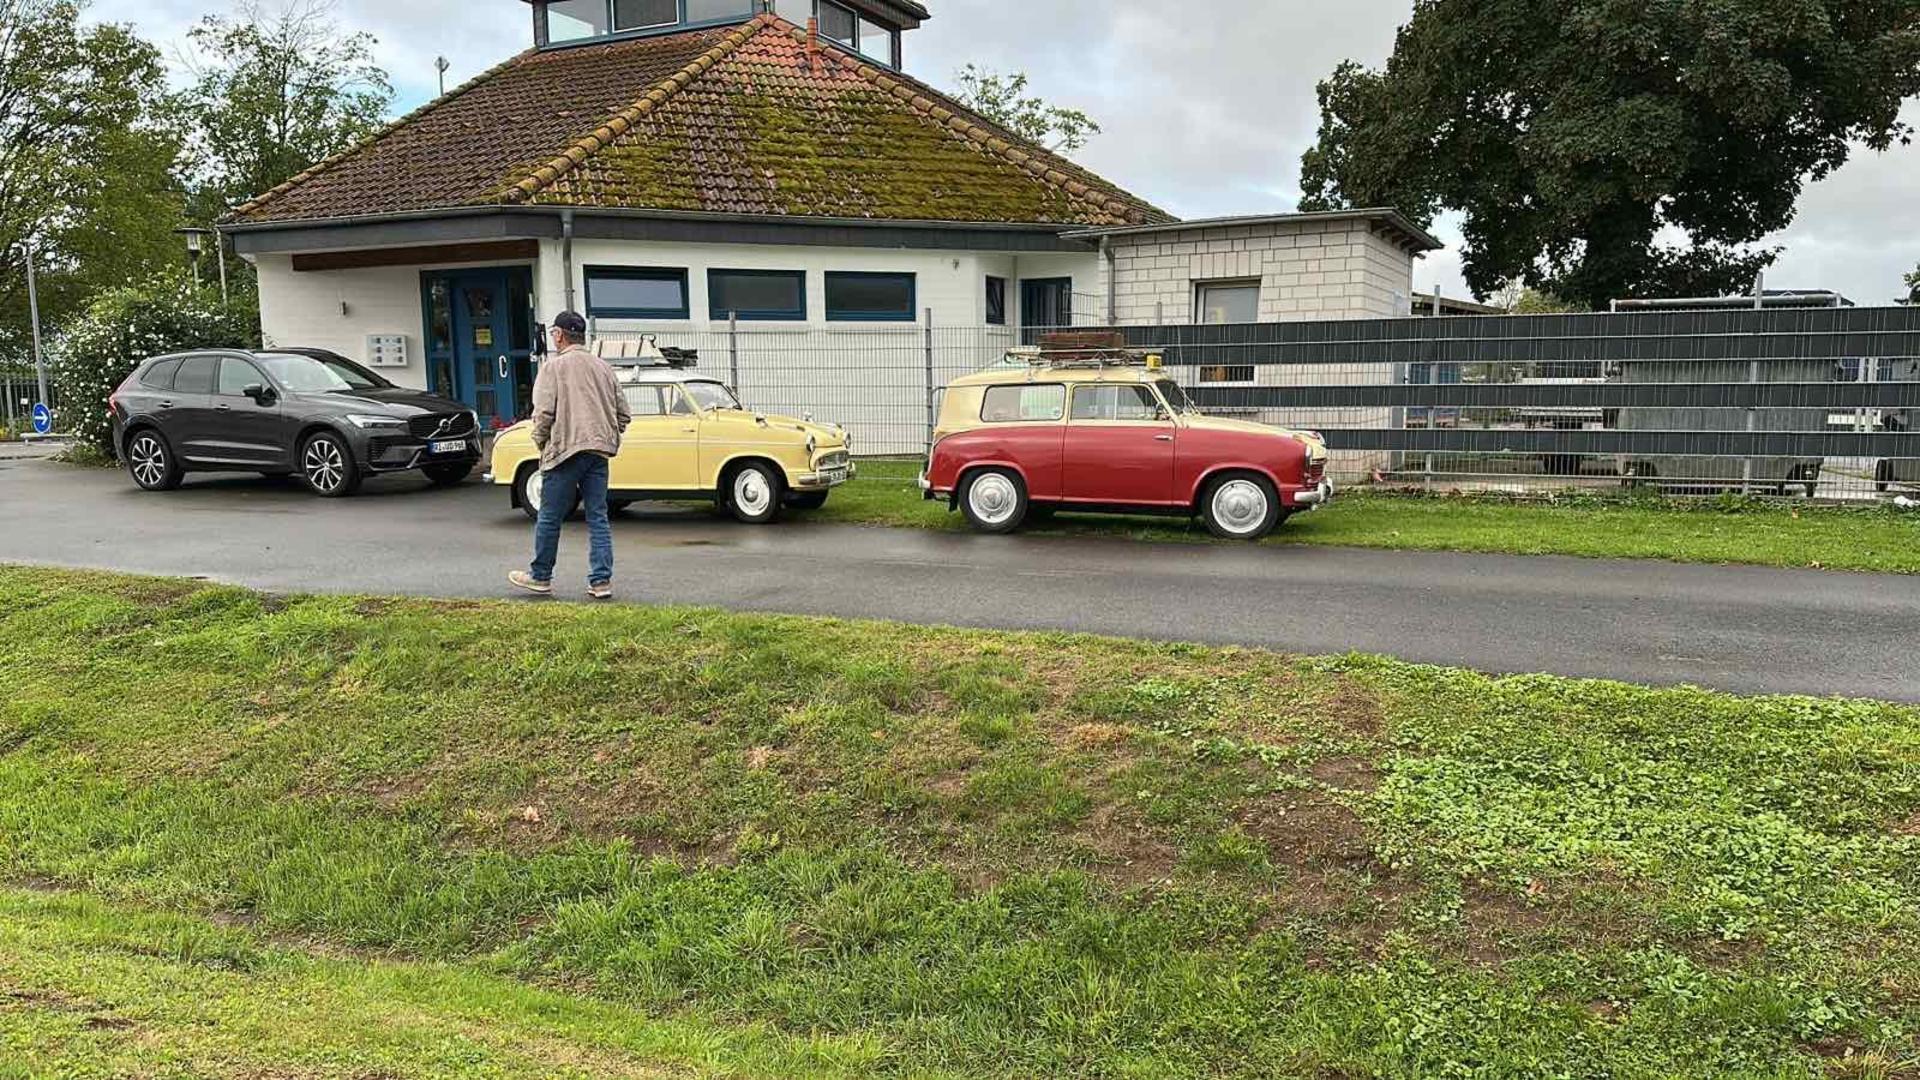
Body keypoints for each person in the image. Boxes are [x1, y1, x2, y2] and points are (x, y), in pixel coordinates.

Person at [508, 311, 630, 600]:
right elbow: (623, 413)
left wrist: (540, 443)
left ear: (560, 335)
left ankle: (540, 576)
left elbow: (544, 414)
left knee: (549, 516)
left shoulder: (553, 368)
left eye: (553, 334)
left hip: (564, 451)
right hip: (599, 451)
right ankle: (601, 582)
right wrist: (610, 433)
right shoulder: (603, 368)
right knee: (598, 516)